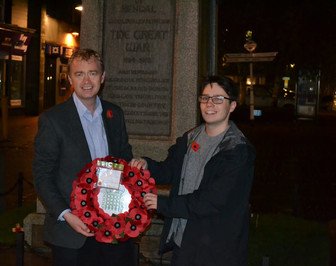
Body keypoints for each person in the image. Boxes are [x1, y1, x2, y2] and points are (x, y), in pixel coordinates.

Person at [130, 75, 256, 266]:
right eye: (205, 98)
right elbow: (171, 170)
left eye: (218, 99)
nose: (209, 104)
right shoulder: (190, 138)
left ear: (232, 106)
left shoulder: (238, 151)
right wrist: (146, 166)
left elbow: (211, 201)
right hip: (184, 243)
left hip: (216, 249)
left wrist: (163, 203)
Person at [32, 49, 135, 266]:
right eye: (79, 74)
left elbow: (124, 156)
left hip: (112, 228)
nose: (86, 80)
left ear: (103, 77)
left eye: (93, 73)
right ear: (70, 78)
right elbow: (42, 176)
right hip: (72, 233)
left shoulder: (115, 114)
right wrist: (67, 214)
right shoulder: (53, 120)